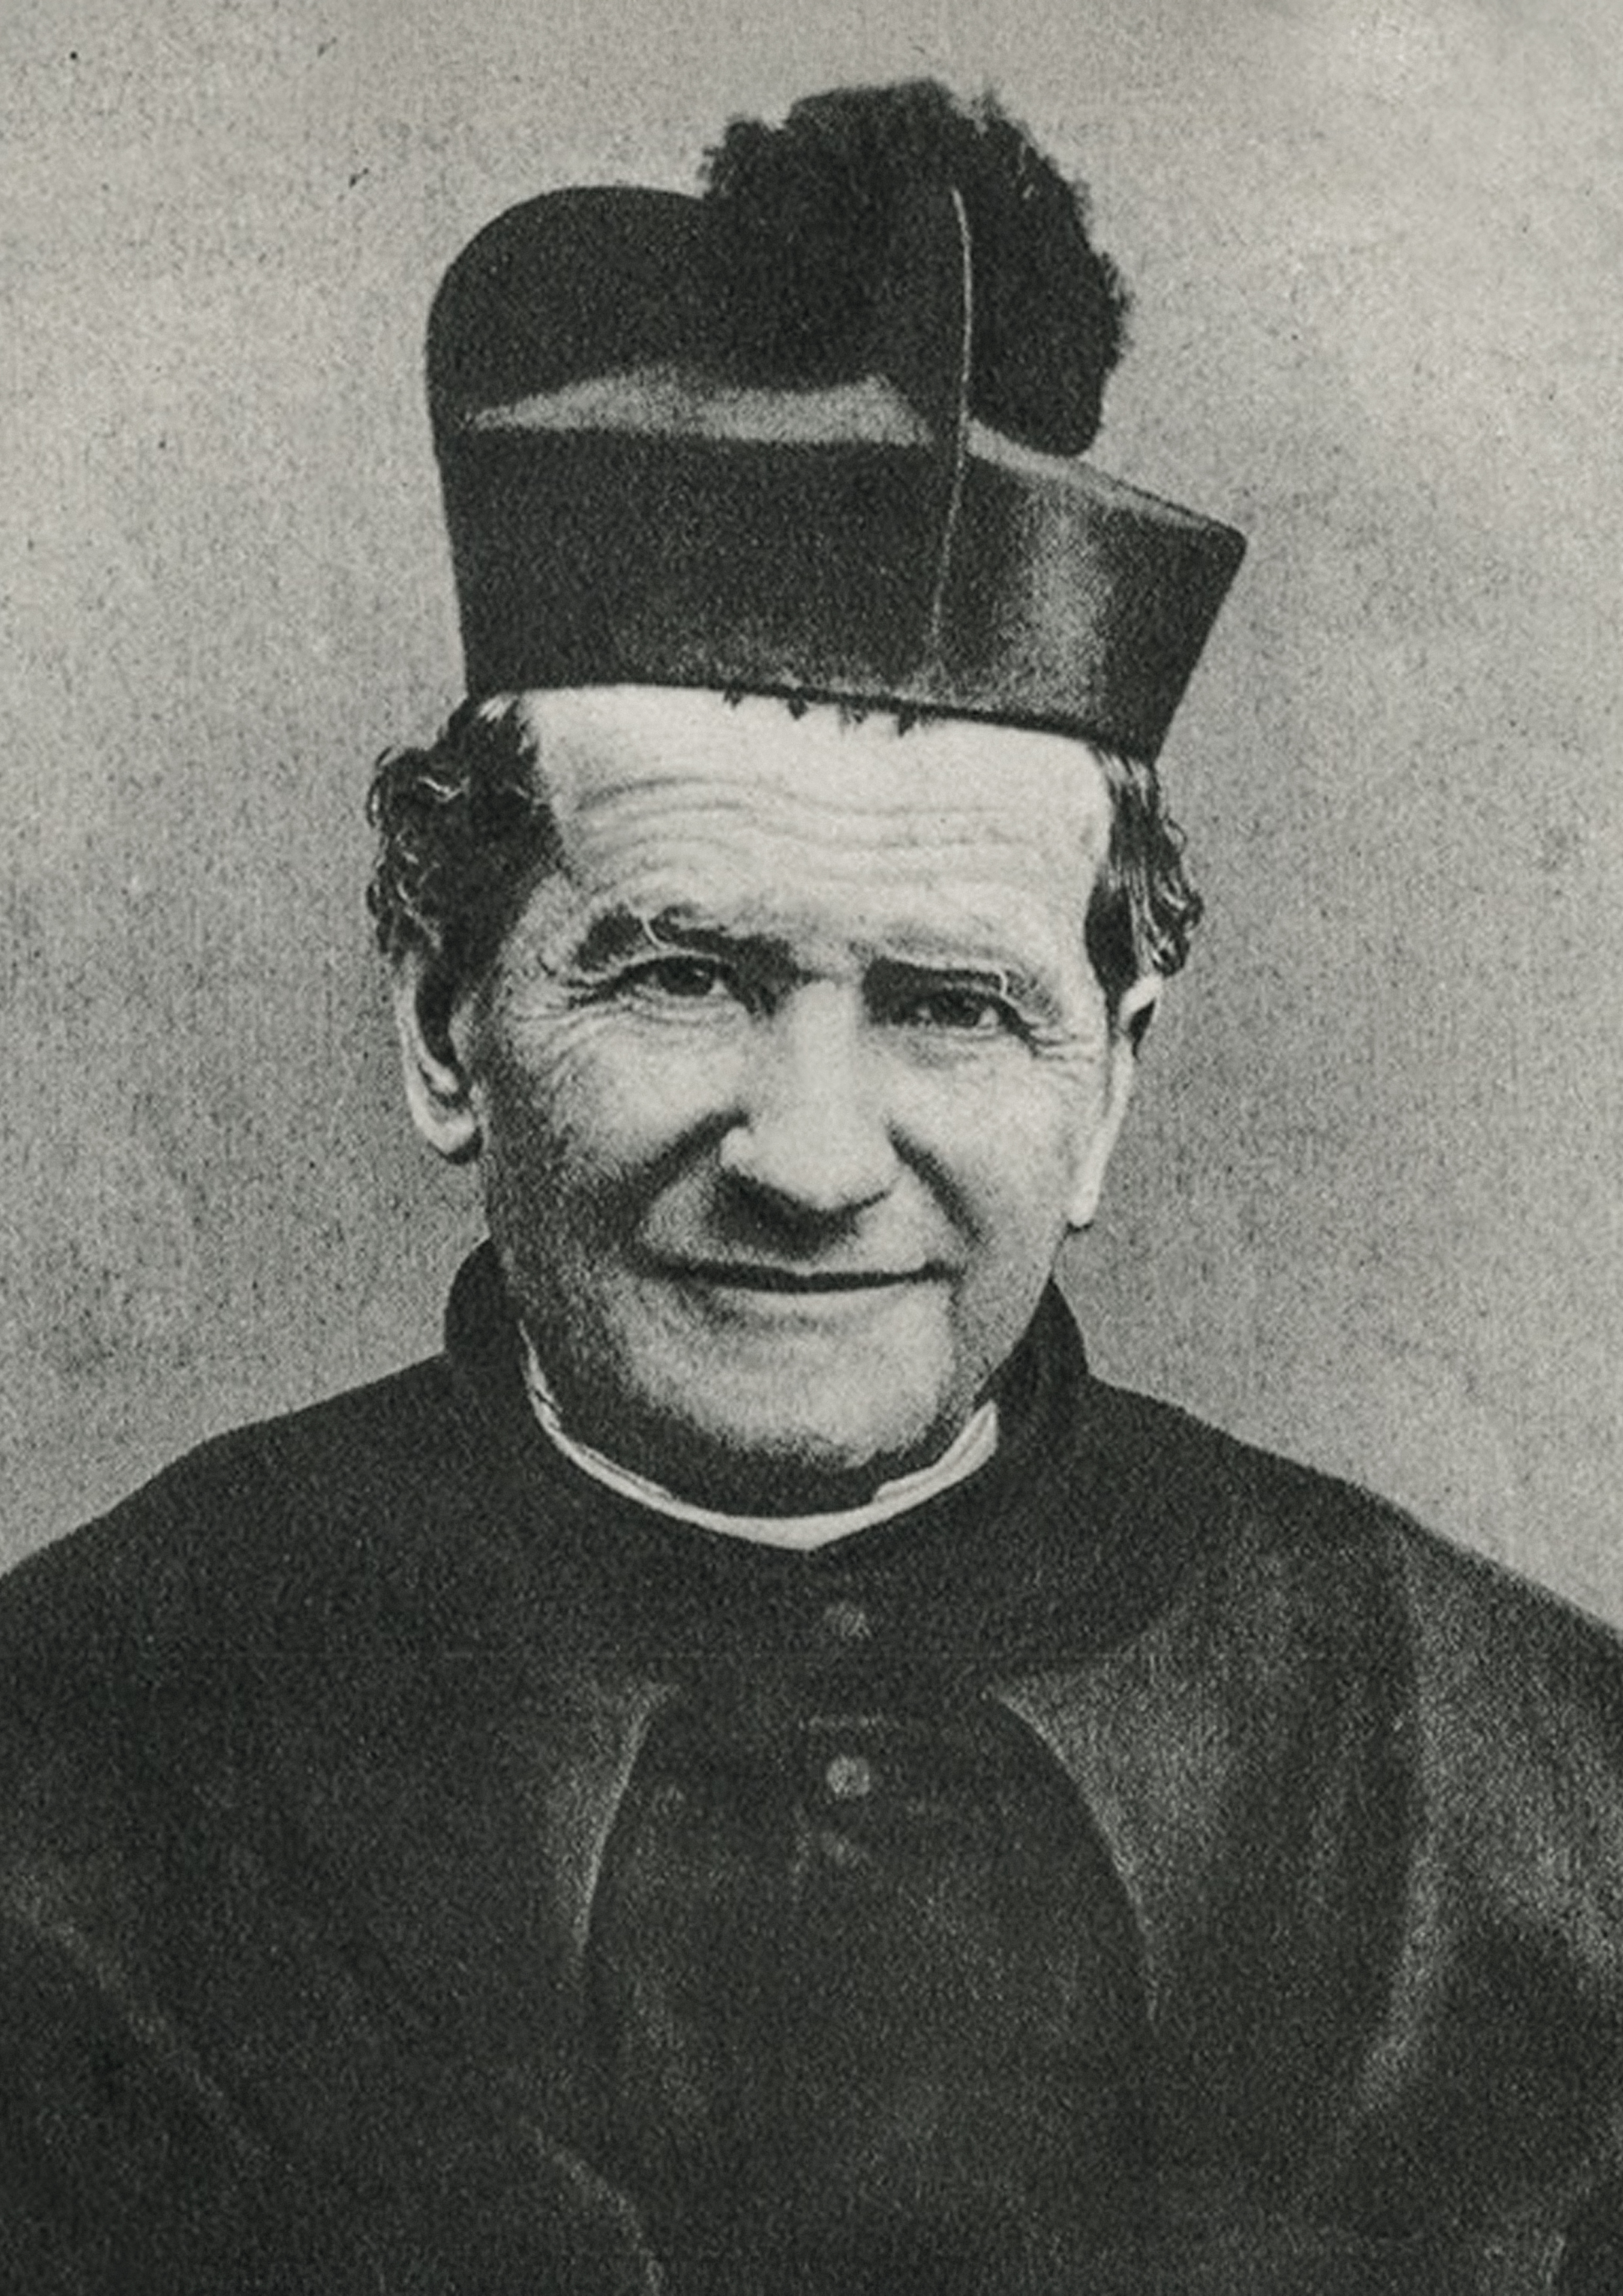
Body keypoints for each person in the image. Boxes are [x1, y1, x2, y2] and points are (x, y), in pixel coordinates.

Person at [1, 77, 1620, 2296]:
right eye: (684, 972)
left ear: (1112, 1081)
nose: (814, 1158)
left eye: (953, 1006)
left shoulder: (1530, 1798)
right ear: (446, 1022)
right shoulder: (67, 1756)